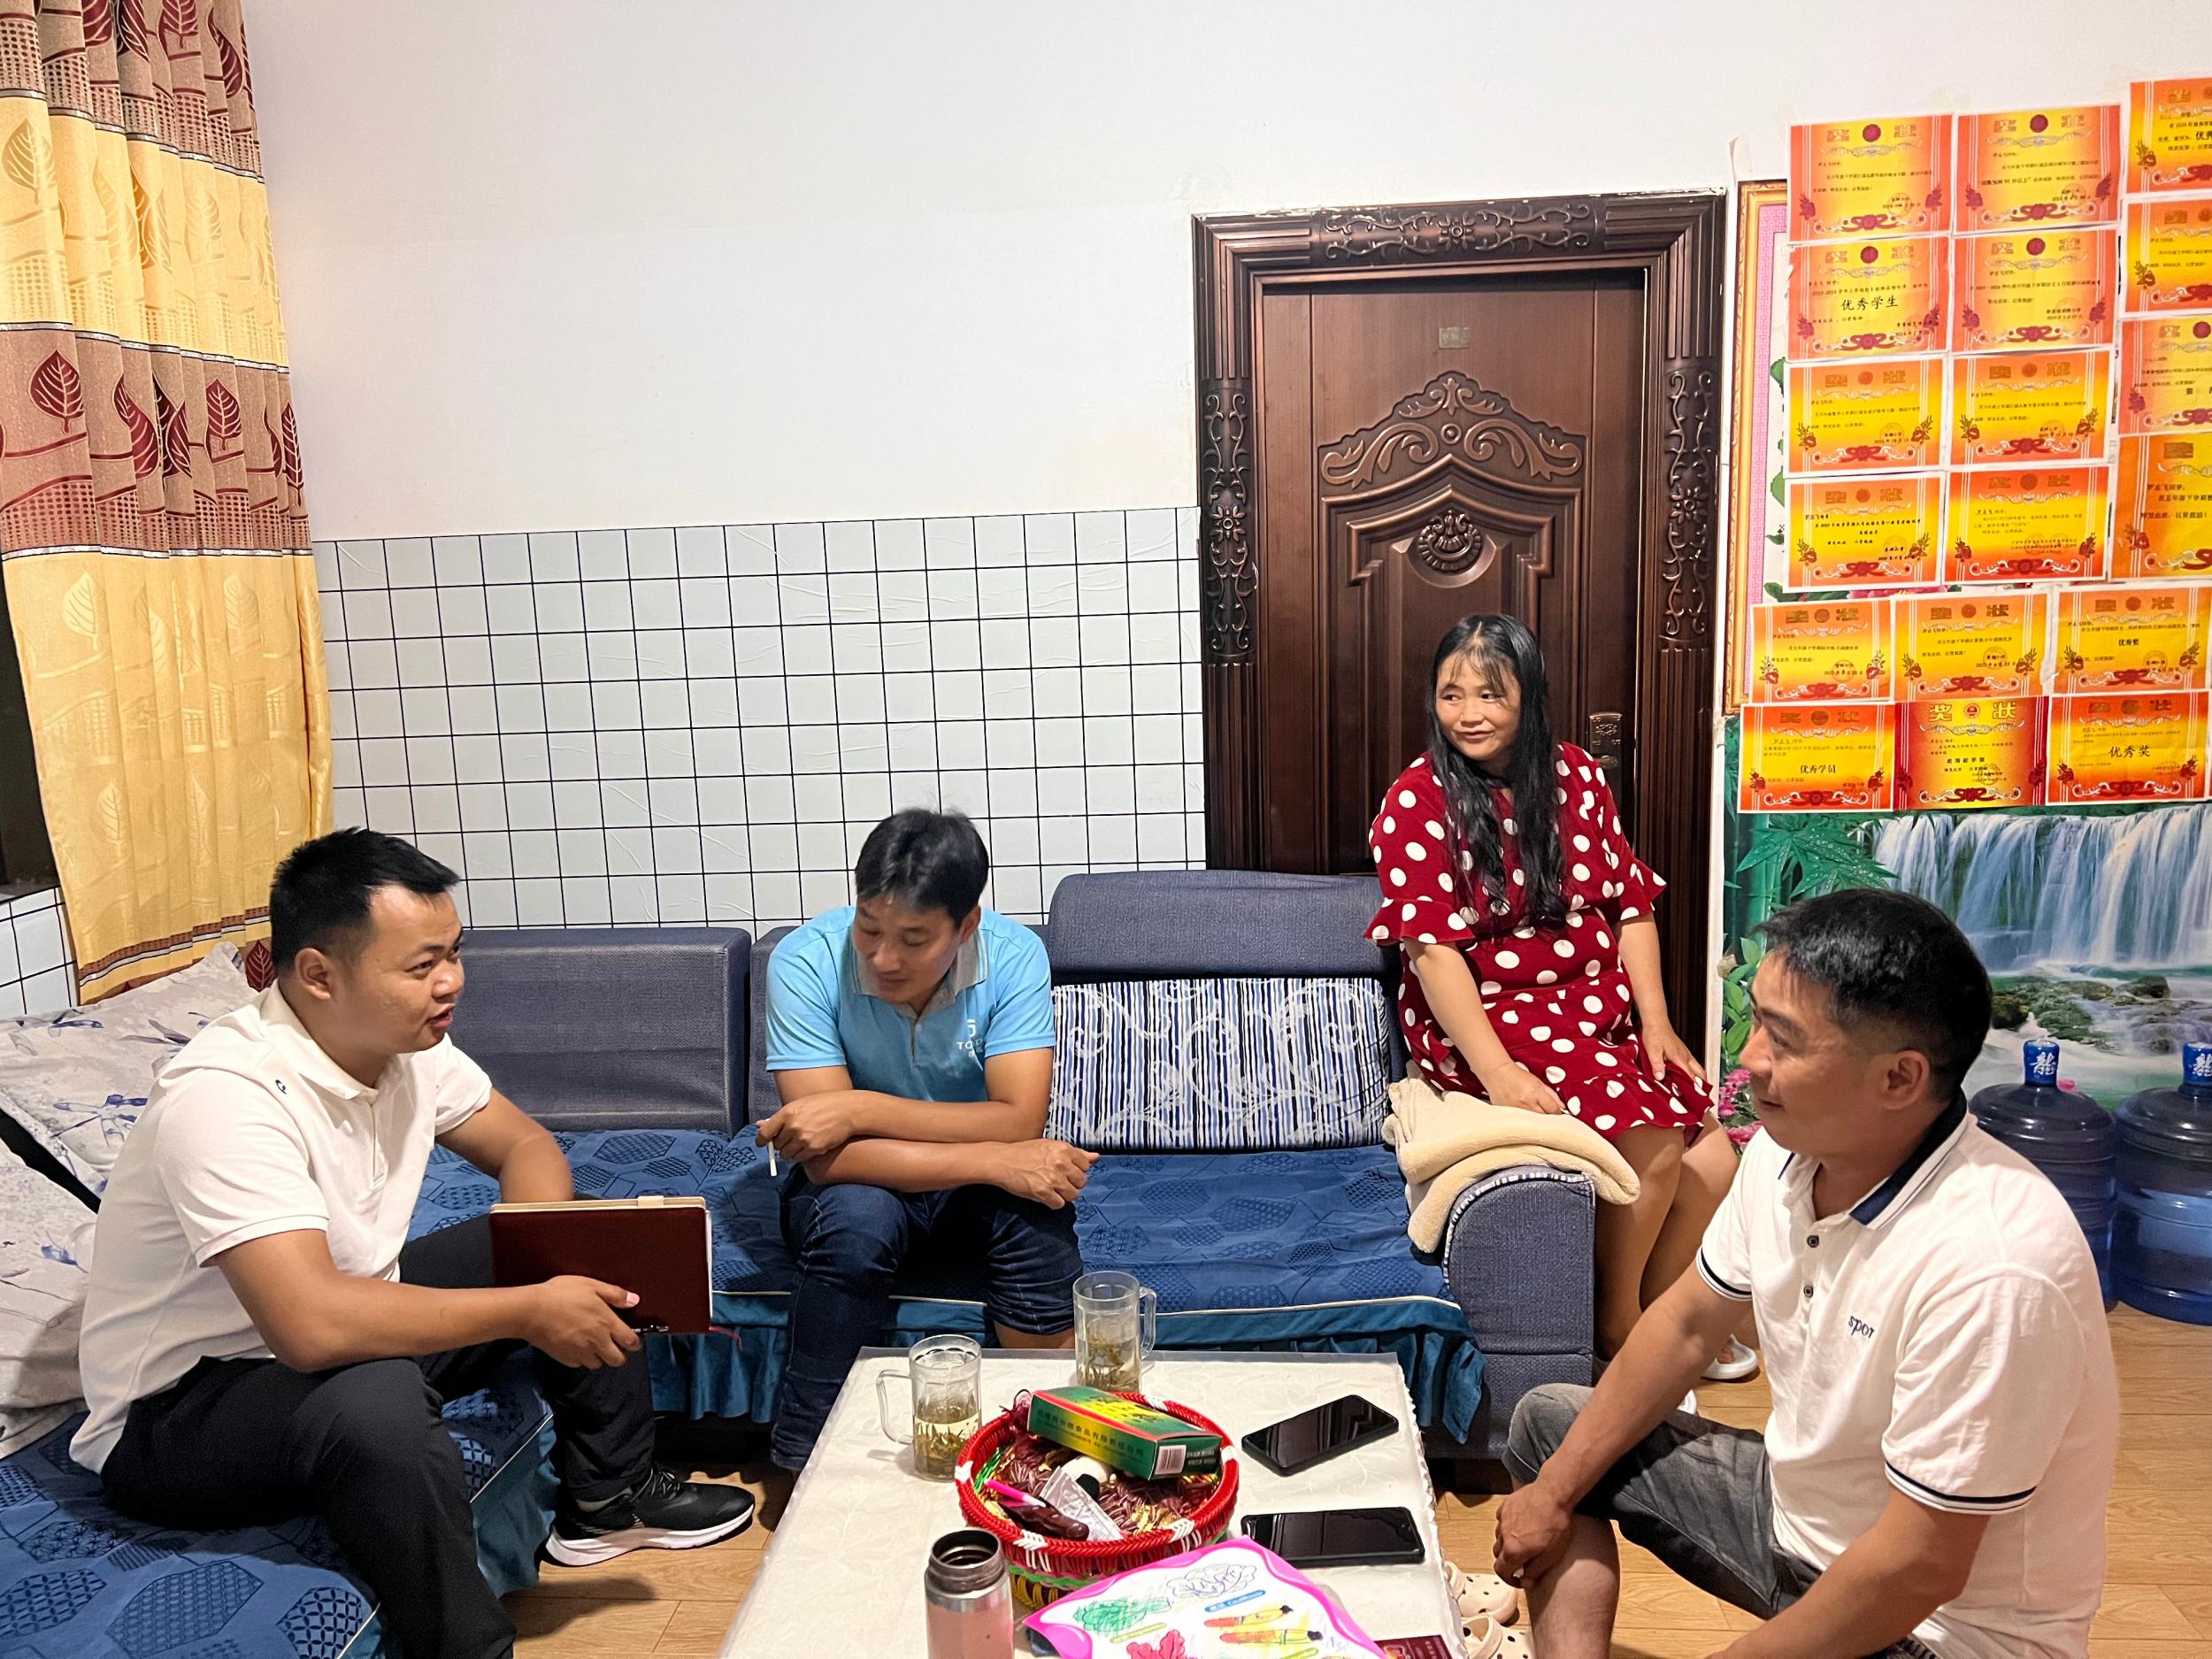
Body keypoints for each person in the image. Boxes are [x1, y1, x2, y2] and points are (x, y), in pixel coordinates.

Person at [74, 830, 755, 1659]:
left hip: (340, 1316)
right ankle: (465, 1645)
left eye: (454, 953)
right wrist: (529, 1307)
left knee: (585, 1235)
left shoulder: (406, 1046)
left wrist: (542, 1250)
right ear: (319, 974)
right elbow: (311, 1328)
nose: (453, 981)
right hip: (179, 1412)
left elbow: (525, 1144)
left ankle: (611, 1501)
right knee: (377, 1398)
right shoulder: (226, 1098)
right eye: (422, 964)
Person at [1494, 888, 2118, 1659]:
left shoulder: (1997, 1264)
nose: (1749, 1058)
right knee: (1553, 1431)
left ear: (1900, 1079)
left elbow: (1919, 1566)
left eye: (1783, 1040)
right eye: (1756, 1020)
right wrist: (1552, 1494)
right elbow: (1685, 1325)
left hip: (1939, 1631)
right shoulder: (1782, 1153)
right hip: (1797, 1525)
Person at [1368, 614, 1746, 1372]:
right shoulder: (1416, 799)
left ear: (1529, 697)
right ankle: (1618, 1328)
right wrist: (1498, 1071)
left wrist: (1657, 1022)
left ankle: (1664, 1314)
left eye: (1490, 694)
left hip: (1592, 1006)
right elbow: (1432, 953)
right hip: (1490, 1013)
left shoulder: (1576, 774)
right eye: (1450, 694)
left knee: (1716, 1158)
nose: (1468, 713)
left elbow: (1629, 903)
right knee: (1653, 1143)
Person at [759, 808, 1094, 1471]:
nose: (884, 958)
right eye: (869, 929)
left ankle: (1046, 1450)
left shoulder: (1011, 955)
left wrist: (857, 1106)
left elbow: (1018, 1121)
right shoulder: (805, 961)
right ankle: (807, 1463)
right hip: (862, 1183)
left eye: (914, 939)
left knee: (1035, 1211)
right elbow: (826, 1158)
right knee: (857, 1220)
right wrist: (995, 1159)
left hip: (964, 1190)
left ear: (965, 926)